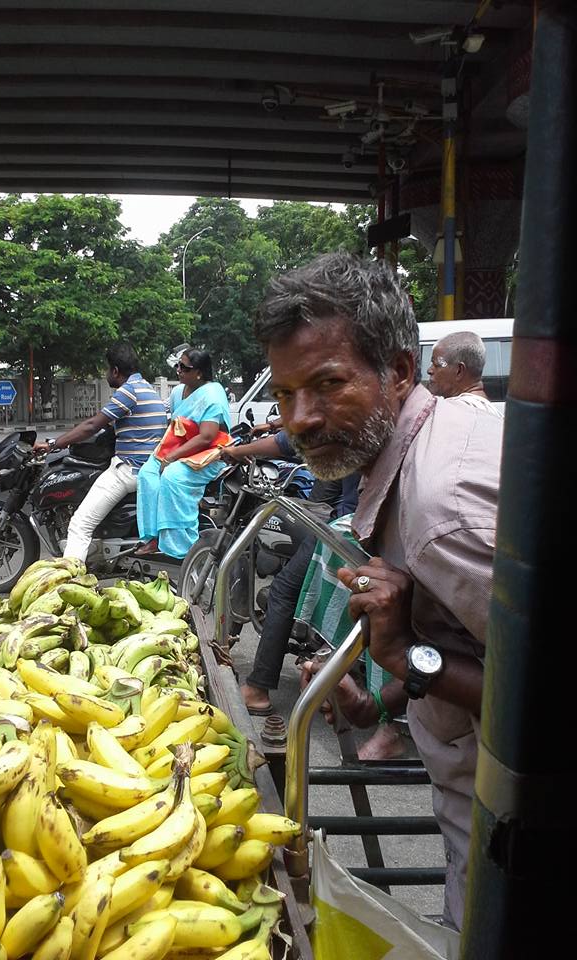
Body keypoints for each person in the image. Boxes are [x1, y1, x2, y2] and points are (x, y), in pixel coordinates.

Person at [254, 251, 502, 932]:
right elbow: (465, 638)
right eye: (284, 394)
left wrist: (407, 660)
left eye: (328, 384)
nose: (300, 418)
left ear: (397, 372)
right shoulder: (411, 454)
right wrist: (380, 701)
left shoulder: (442, 510)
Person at [223, 429, 357, 715]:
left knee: (283, 589)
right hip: (363, 517)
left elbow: (292, 440)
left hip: (352, 528)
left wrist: (239, 451)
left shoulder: (343, 413)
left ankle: (258, 688)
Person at [33, 343, 167, 563]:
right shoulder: (147, 389)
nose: (106, 375)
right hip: (149, 467)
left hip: (128, 471)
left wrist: (53, 444)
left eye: (107, 370)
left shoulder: (128, 392)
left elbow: (92, 425)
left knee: (80, 524)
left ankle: (68, 579)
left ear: (115, 370)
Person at [135, 348, 231, 558]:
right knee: (147, 473)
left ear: (199, 372)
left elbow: (206, 437)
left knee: (173, 476)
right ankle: (153, 537)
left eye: (184, 367)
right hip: (181, 446)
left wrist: (172, 457)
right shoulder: (178, 391)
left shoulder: (213, 394)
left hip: (208, 451)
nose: (178, 370)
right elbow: (174, 426)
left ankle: (180, 547)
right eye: (177, 365)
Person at [427, 330, 502, 416]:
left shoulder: (453, 413)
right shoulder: (494, 414)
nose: (429, 370)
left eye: (436, 364)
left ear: (459, 371)